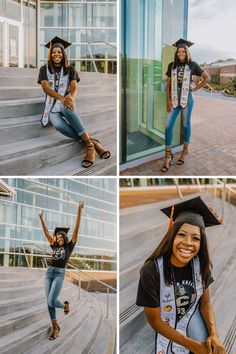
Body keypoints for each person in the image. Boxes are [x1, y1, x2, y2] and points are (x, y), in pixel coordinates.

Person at [136, 196, 226, 354]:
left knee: (213, 348)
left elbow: (205, 302)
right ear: (172, 235)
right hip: (166, 319)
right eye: (182, 234)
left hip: (191, 313)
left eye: (195, 238)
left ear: (201, 243)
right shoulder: (151, 271)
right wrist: (191, 345)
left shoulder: (201, 265)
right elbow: (155, 321)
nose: (188, 243)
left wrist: (214, 334)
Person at [37, 36, 110, 168]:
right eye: (53, 52)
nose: (56, 54)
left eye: (59, 52)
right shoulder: (44, 70)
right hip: (52, 104)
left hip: (65, 102)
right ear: (50, 54)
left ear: (63, 54)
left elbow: (74, 87)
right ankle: (92, 142)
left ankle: (89, 147)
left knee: (66, 108)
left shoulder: (70, 69)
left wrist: (71, 97)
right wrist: (62, 97)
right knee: (58, 125)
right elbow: (46, 88)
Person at [161, 39, 209, 172]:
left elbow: (207, 78)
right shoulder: (172, 66)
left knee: (186, 125)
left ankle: (184, 151)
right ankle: (168, 155)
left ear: (187, 52)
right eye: (179, 51)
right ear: (176, 53)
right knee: (168, 125)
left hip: (187, 98)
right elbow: (168, 84)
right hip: (174, 98)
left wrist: (195, 89)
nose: (181, 53)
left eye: (183, 51)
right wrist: (168, 100)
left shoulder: (192, 65)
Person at [39, 201, 84, 340]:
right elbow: (46, 233)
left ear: (64, 238)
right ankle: (55, 327)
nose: (58, 239)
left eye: (60, 237)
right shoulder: (54, 246)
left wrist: (79, 212)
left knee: (52, 301)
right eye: (57, 237)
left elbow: (76, 230)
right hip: (49, 273)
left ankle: (64, 304)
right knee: (49, 301)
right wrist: (41, 219)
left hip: (59, 274)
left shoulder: (69, 247)